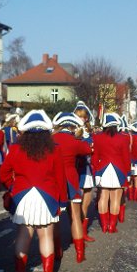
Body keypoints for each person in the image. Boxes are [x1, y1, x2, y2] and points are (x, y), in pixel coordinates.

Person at [0, 110, 67, 272]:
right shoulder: (55, 150)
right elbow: (60, 177)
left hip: (22, 197)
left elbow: (3, 173)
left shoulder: (15, 148)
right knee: (46, 236)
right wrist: (62, 200)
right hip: (48, 196)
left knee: (23, 235)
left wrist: (12, 187)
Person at [52, 112, 92, 263]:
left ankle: (57, 251)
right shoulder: (75, 141)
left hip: (55, 180)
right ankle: (79, 252)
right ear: (72, 125)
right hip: (71, 180)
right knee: (75, 216)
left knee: (55, 218)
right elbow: (88, 150)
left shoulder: (51, 139)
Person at [92, 113, 131, 234]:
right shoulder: (124, 138)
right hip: (118, 171)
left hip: (103, 170)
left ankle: (104, 225)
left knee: (103, 197)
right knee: (115, 199)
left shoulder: (97, 137)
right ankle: (112, 226)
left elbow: (95, 157)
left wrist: (97, 170)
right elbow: (126, 157)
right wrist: (128, 173)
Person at [73, 101, 96, 241]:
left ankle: (83, 231)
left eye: (84, 116)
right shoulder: (71, 130)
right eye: (79, 116)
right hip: (74, 168)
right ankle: (76, 231)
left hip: (87, 167)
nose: (82, 118)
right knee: (75, 201)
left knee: (87, 199)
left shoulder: (88, 132)